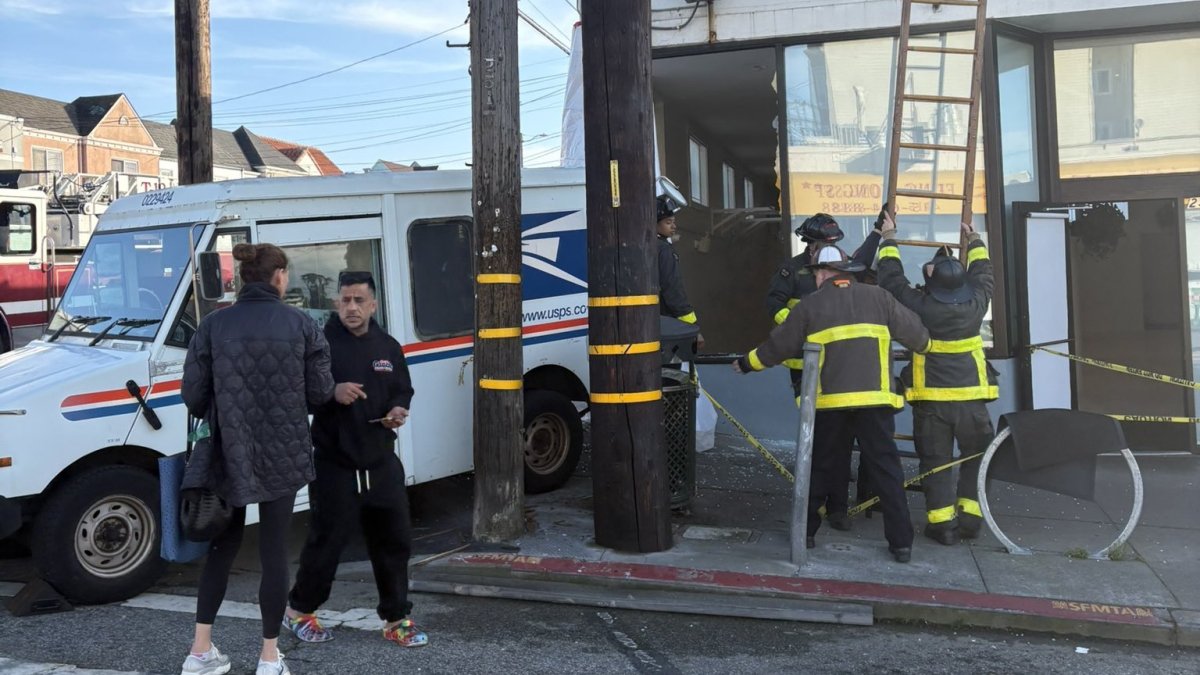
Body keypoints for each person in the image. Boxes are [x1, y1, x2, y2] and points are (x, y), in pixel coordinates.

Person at [181, 243, 335, 675]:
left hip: (228, 453)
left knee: (221, 548)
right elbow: (321, 393)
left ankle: (200, 651)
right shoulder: (302, 324)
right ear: (279, 276)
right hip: (283, 452)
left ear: (242, 279)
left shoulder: (212, 325)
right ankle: (269, 658)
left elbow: (193, 398)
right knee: (273, 555)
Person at [734, 245, 930, 562]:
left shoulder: (812, 306)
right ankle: (901, 544)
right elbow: (919, 339)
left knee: (820, 467)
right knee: (887, 471)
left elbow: (779, 345)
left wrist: (747, 363)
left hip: (830, 405)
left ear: (824, 274)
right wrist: (931, 344)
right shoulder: (879, 298)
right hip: (876, 404)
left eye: (816, 273)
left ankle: (806, 533)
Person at [283, 271, 428, 648]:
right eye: (345, 300)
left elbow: (403, 388)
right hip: (336, 463)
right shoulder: (321, 345)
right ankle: (300, 611)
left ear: (373, 304)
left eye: (359, 300)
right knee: (327, 541)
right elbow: (302, 394)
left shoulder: (388, 345)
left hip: (380, 461)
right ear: (336, 303)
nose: (351, 307)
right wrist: (332, 391)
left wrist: (399, 408)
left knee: (394, 541)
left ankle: (397, 618)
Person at [875, 217, 997, 545]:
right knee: (976, 458)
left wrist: (888, 237)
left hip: (932, 402)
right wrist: (975, 241)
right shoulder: (977, 302)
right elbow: (985, 273)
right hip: (973, 401)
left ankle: (942, 525)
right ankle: (971, 519)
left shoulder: (921, 306)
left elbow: (891, 280)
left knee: (935, 462)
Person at [764, 212, 885, 530]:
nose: (831, 250)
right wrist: (796, 326)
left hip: (836, 368)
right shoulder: (792, 269)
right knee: (816, 440)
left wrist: (878, 232)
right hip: (803, 370)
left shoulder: (841, 267)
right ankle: (813, 506)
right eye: (825, 244)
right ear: (810, 243)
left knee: (840, 439)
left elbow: (862, 259)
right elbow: (773, 304)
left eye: (834, 244)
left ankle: (837, 509)